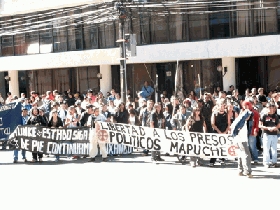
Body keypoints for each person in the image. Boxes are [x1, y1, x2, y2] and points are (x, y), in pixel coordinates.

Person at [230, 101, 254, 178]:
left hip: (238, 139)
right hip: (241, 139)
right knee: (247, 154)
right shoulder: (241, 122)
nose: (249, 117)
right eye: (248, 115)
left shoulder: (238, 121)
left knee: (240, 154)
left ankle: (240, 170)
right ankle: (247, 172)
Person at [209, 102, 230, 166]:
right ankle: (212, 161)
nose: (222, 107)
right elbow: (213, 124)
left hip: (224, 132)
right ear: (218, 107)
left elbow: (229, 123)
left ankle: (222, 158)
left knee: (223, 146)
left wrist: (225, 132)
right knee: (215, 147)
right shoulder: (214, 114)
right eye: (220, 106)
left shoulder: (226, 114)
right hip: (216, 132)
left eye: (223, 106)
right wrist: (219, 132)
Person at [259, 102, 280, 168]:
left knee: (274, 149)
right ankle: (266, 162)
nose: (271, 110)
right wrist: (267, 128)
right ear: (267, 108)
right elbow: (260, 125)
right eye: (270, 108)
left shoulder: (276, 116)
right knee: (266, 149)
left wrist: (275, 128)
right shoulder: (264, 116)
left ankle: (274, 162)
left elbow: (278, 125)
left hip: (274, 134)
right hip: (266, 134)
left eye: (273, 108)